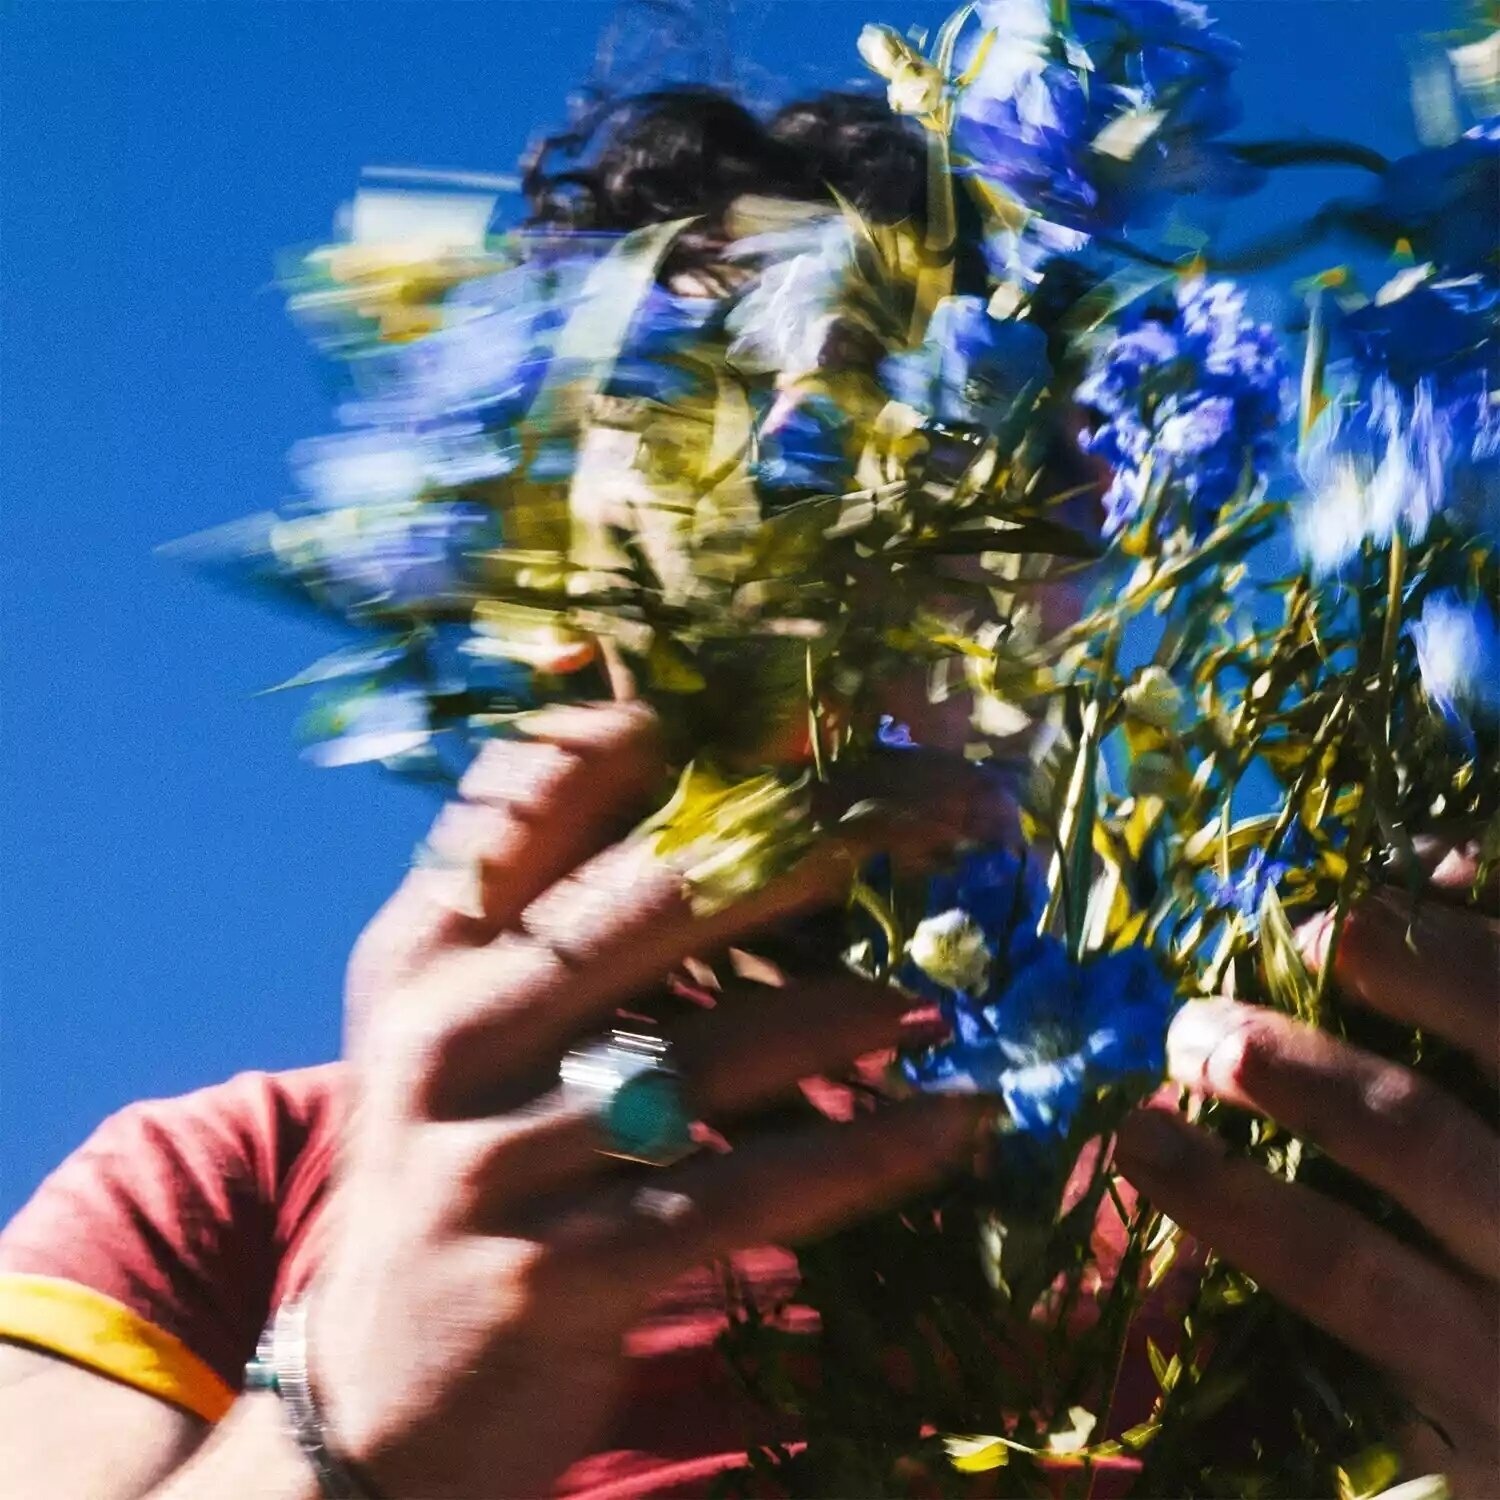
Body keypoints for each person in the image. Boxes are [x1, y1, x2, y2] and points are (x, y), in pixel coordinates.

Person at [1, 92, 1496, 1500]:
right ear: (541, 563)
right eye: (691, 398)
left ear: (1088, 555)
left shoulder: (1308, 1122)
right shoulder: (230, 1190)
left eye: (914, 417)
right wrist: (346, 1426)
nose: (805, 474)